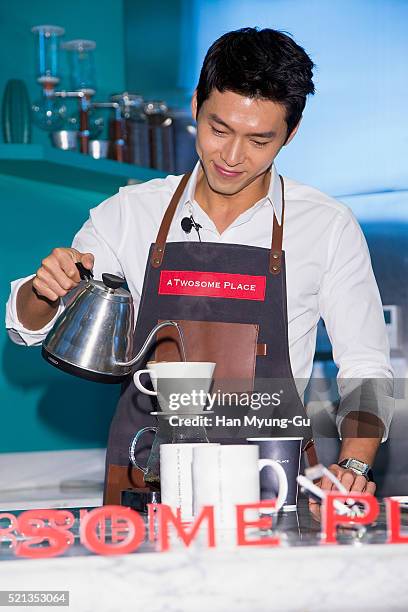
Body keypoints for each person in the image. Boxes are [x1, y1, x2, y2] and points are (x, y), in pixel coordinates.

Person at [6, 27, 393, 505]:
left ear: (291, 134)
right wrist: (46, 289)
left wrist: (355, 461)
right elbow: (27, 327)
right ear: (195, 107)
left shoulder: (326, 225)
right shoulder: (131, 212)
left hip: (273, 483)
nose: (232, 157)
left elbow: (366, 366)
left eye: (259, 140)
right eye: (218, 129)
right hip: (146, 484)